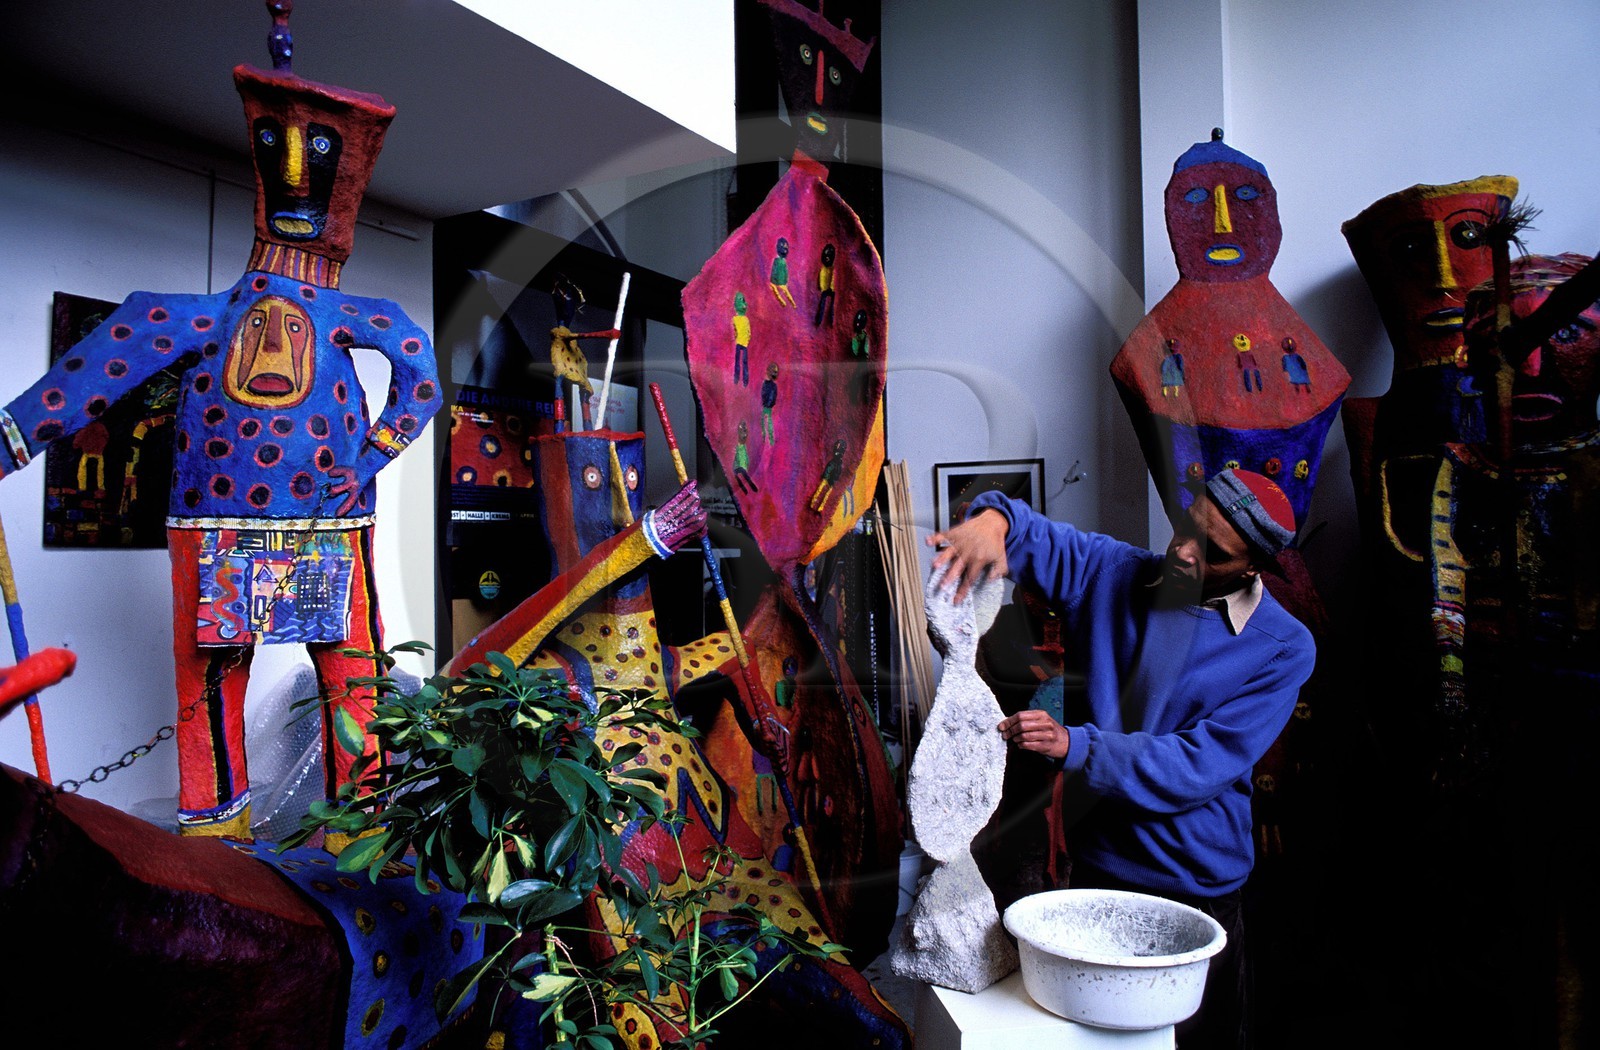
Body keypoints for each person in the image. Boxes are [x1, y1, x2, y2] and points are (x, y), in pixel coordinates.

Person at [928, 467, 1314, 1049]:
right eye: (1187, 527)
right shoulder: (1113, 572)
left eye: (1213, 552)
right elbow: (1031, 535)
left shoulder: (1283, 649)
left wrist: (1076, 745)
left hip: (1197, 883)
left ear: (1253, 567)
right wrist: (992, 520)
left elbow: (1198, 765)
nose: (1184, 551)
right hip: (1103, 869)